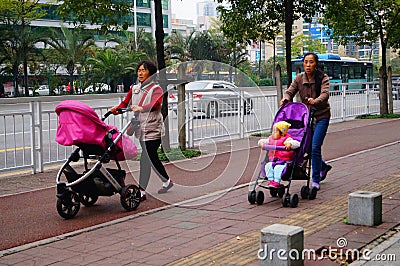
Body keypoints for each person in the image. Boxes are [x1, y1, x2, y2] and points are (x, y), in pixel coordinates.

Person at [110, 60, 173, 201]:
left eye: (143, 70)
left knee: (146, 158)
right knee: (152, 157)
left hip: (153, 128)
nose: (140, 73)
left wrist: (141, 108)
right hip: (141, 128)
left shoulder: (156, 88)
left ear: (150, 73)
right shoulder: (134, 88)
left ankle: (141, 191)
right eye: (139, 70)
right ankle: (167, 181)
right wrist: (116, 109)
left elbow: (156, 104)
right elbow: (125, 103)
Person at [280, 52, 332, 190]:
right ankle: (323, 166)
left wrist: (316, 101)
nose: (308, 65)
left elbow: (325, 94)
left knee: (315, 147)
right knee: (306, 147)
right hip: (305, 119)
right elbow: (290, 91)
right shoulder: (299, 78)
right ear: (303, 64)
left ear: (316, 64)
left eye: (311, 62)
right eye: (306, 62)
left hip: (321, 116)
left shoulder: (323, 78)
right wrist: (286, 98)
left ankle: (315, 180)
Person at [258, 121, 300, 188]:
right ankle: (271, 180)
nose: (273, 133)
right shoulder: (271, 139)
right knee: (268, 166)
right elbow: (263, 141)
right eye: (272, 131)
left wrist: (290, 144)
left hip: (283, 162)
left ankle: (276, 181)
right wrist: (261, 143)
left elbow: (297, 144)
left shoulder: (287, 139)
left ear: (282, 133)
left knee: (278, 168)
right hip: (273, 160)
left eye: (275, 131)